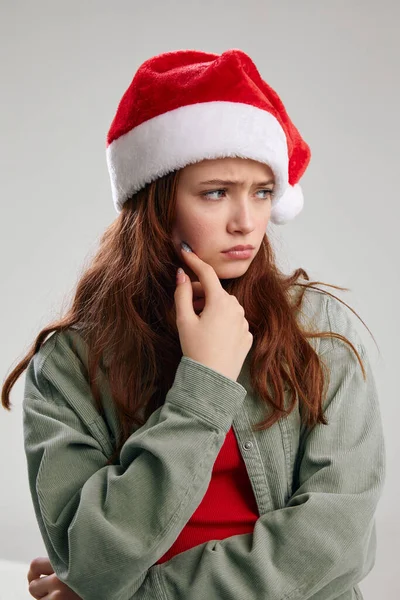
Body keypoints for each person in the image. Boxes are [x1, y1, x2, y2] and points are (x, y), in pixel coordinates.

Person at [1, 48, 386, 600]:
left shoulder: (319, 333)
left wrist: (148, 595)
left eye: (261, 192)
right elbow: (90, 559)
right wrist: (203, 386)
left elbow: (336, 542)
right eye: (215, 192)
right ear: (157, 203)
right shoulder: (68, 365)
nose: (246, 221)